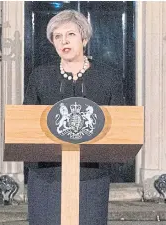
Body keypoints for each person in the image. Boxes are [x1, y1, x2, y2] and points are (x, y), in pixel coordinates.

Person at [24, 10, 124, 225]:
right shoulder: (40, 76)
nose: (64, 41)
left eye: (70, 34)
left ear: (84, 39)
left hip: (90, 176)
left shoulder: (108, 77)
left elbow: (121, 125)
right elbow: (25, 123)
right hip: (47, 175)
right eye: (57, 36)